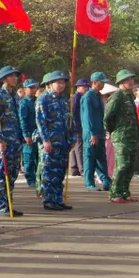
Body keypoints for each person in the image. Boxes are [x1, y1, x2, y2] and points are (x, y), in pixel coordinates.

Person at [0, 65, 25, 216]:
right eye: (11, 76)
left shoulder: (15, 96)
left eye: (15, 76)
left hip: (15, 141)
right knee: (1, 173)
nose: (14, 78)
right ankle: (0, 205)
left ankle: (9, 203)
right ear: (4, 79)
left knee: (12, 173)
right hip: (4, 141)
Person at [35, 71, 73, 211]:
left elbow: (69, 120)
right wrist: (45, 140)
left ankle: (58, 199)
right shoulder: (43, 99)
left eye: (63, 82)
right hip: (50, 142)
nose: (61, 85)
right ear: (49, 85)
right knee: (48, 172)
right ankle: (48, 200)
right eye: (58, 82)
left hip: (62, 142)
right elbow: (40, 121)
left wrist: (72, 137)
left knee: (59, 172)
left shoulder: (63, 100)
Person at [104, 70, 139, 203]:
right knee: (122, 165)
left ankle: (125, 192)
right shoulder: (117, 97)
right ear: (120, 82)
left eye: (131, 79)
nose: (130, 81)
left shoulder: (130, 96)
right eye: (127, 79)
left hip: (132, 136)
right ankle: (114, 193)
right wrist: (111, 130)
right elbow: (108, 117)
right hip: (121, 137)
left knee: (131, 166)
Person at [80, 73, 112, 192]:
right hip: (91, 133)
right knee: (89, 158)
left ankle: (106, 180)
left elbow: (102, 115)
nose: (103, 84)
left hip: (100, 132)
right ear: (94, 82)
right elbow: (87, 117)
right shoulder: (87, 97)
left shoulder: (99, 96)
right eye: (101, 82)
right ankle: (89, 182)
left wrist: (105, 130)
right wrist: (92, 133)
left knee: (101, 158)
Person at [18, 78, 39, 188]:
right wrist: (26, 135)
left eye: (34, 87)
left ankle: (37, 178)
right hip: (29, 134)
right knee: (29, 157)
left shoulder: (38, 100)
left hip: (38, 133)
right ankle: (30, 179)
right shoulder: (23, 103)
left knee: (38, 157)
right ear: (25, 89)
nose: (33, 90)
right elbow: (23, 120)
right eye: (30, 88)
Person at [70, 79, 89, 177]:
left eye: (87, 87)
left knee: (75, 147)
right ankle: (82, 169)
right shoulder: (76, 98)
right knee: (79, 147)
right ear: (78, 87)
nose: (86, 88)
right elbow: (73, 113)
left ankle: (74, 168)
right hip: (77, 125)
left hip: (77, 124)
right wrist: (76, 125)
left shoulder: (80, 97)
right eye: (84, 86)